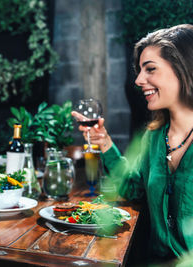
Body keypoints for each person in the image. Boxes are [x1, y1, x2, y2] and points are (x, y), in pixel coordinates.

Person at [72, 24, 193, 262]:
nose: (138, 80)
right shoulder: (154, 138)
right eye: (139, 70)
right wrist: (105, 143)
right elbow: (133, 189)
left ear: (183, 69)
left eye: (150, 69)